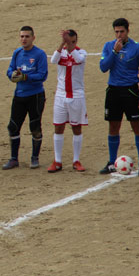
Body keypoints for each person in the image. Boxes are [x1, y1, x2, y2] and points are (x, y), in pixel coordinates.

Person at [99, 18, 139, 176]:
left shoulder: (138, 48)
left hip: (130, 92)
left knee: (137, 126)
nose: (119, 35)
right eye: (116, 32)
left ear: (128, 31)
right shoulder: (109, 46)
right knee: (113, 126)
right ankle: (111, 162)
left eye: (122, 31)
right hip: (113, 91)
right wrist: (114, 52)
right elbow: (103, 67)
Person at [3, 26, 48, 170]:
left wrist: (25, 76)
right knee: (13, 126)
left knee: (35, 127)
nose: (24, 39)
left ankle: (35, 157)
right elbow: (9, 70)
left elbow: (42, 75)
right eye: (22, 36)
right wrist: (12, 75)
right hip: (19, 95)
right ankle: (14, 158)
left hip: (35, 96)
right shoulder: (17, 53)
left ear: (33, 38)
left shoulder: (40, 54)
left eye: (27, 36)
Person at [48, 29, 88, 173]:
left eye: (73, 40)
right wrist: (62, 44)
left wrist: (69, 45)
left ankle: (76, 160)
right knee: (58, 127)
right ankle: (57, 160)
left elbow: (78, 60)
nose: (72, 43)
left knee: (76, 128)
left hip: (76, 95)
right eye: (70, 40)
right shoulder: (61, 52)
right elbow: (53, 60)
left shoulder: (81, 52)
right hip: (61, 95)